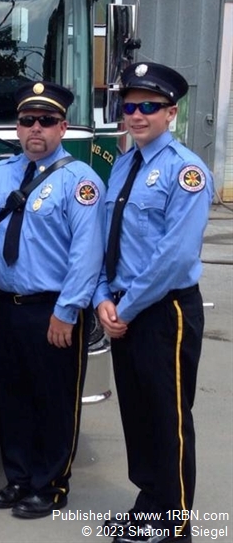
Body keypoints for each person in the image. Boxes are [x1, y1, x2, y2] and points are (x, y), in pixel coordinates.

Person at [94, 63, 213, 543]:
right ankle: (149, 504)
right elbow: (107, 239)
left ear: (172, 112)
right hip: (123, 307)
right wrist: (103, 295)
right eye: (129, 106)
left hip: (167, 312)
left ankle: (175, 521)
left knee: (169, 416)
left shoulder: (186, 171)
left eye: (148, 107)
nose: (137, 115)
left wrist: (126, 307)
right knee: (138, 414)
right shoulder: (123, 163)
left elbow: (174, 256)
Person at [0, 81, 105, 519]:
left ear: (63, 126)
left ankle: (52, 484)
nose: (36, 128)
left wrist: (67, 310)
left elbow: (87, 253)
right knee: (11, 398)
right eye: (27, 120)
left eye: (46, 121)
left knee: (54, 401)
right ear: (17, 126)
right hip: (7, 305)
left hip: (52, 309)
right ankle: (18, 478)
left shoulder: (81, 181)